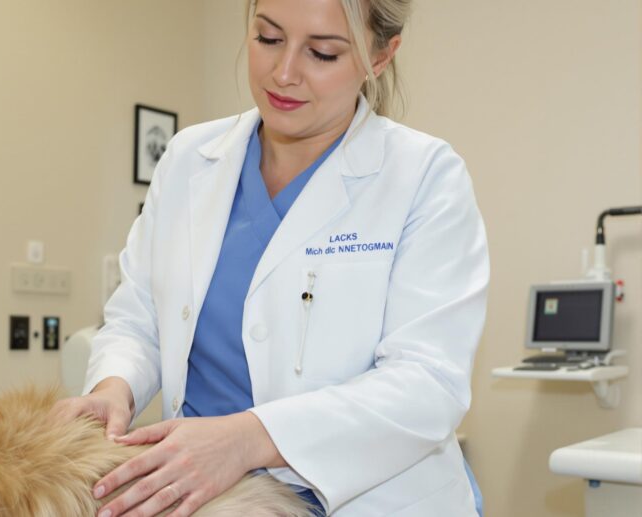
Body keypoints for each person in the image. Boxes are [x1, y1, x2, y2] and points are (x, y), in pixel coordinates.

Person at [52, 0, 488, 515]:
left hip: (373, 500)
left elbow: (427, 384)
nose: (283, 74)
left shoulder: (424, 176)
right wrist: (113, 387)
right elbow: (138, 317)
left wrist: (246, 440)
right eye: (268, 38)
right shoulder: (191, 157)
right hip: (209, 498)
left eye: (322, 53)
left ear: (381, 56)